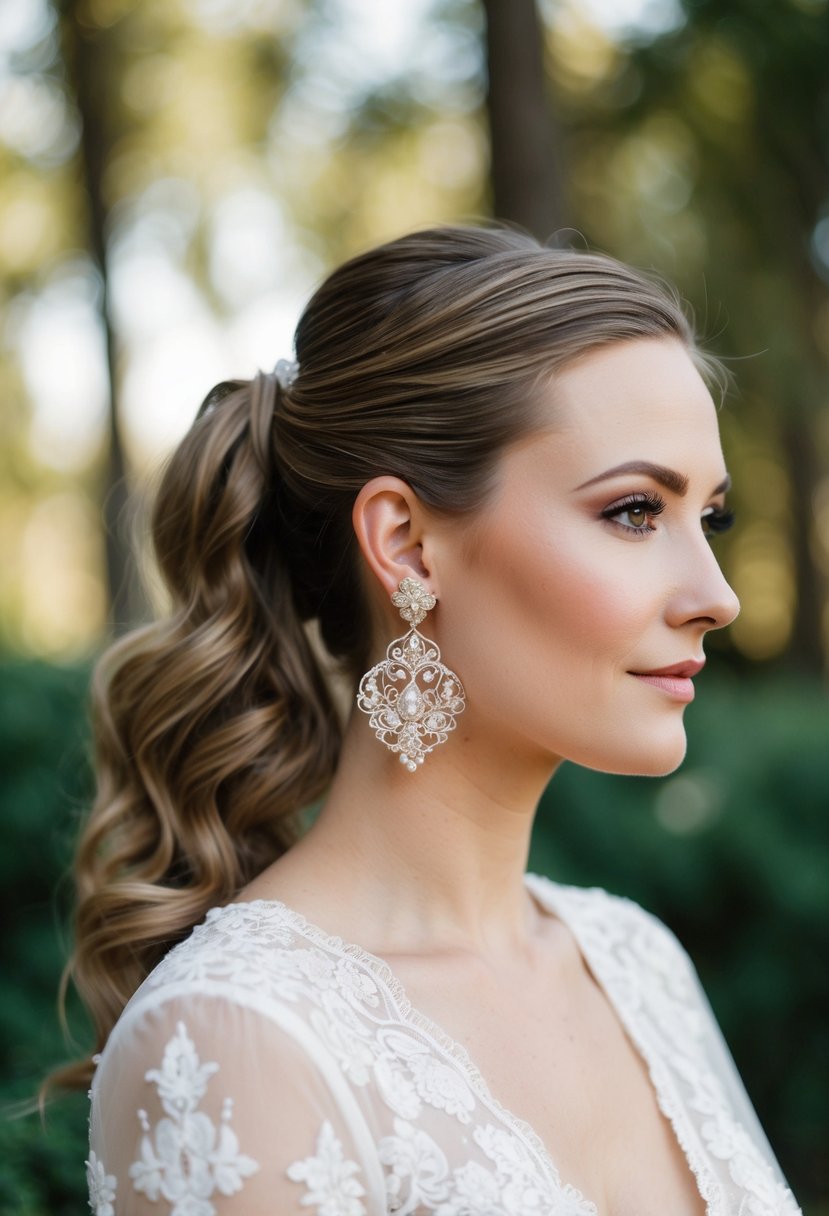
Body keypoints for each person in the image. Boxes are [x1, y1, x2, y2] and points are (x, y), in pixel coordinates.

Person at [63, 225, 801, 1215]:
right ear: (407, 546)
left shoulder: (634, 961)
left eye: (706, 517)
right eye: (633, 511)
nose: (716, 595)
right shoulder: (238, 1042)